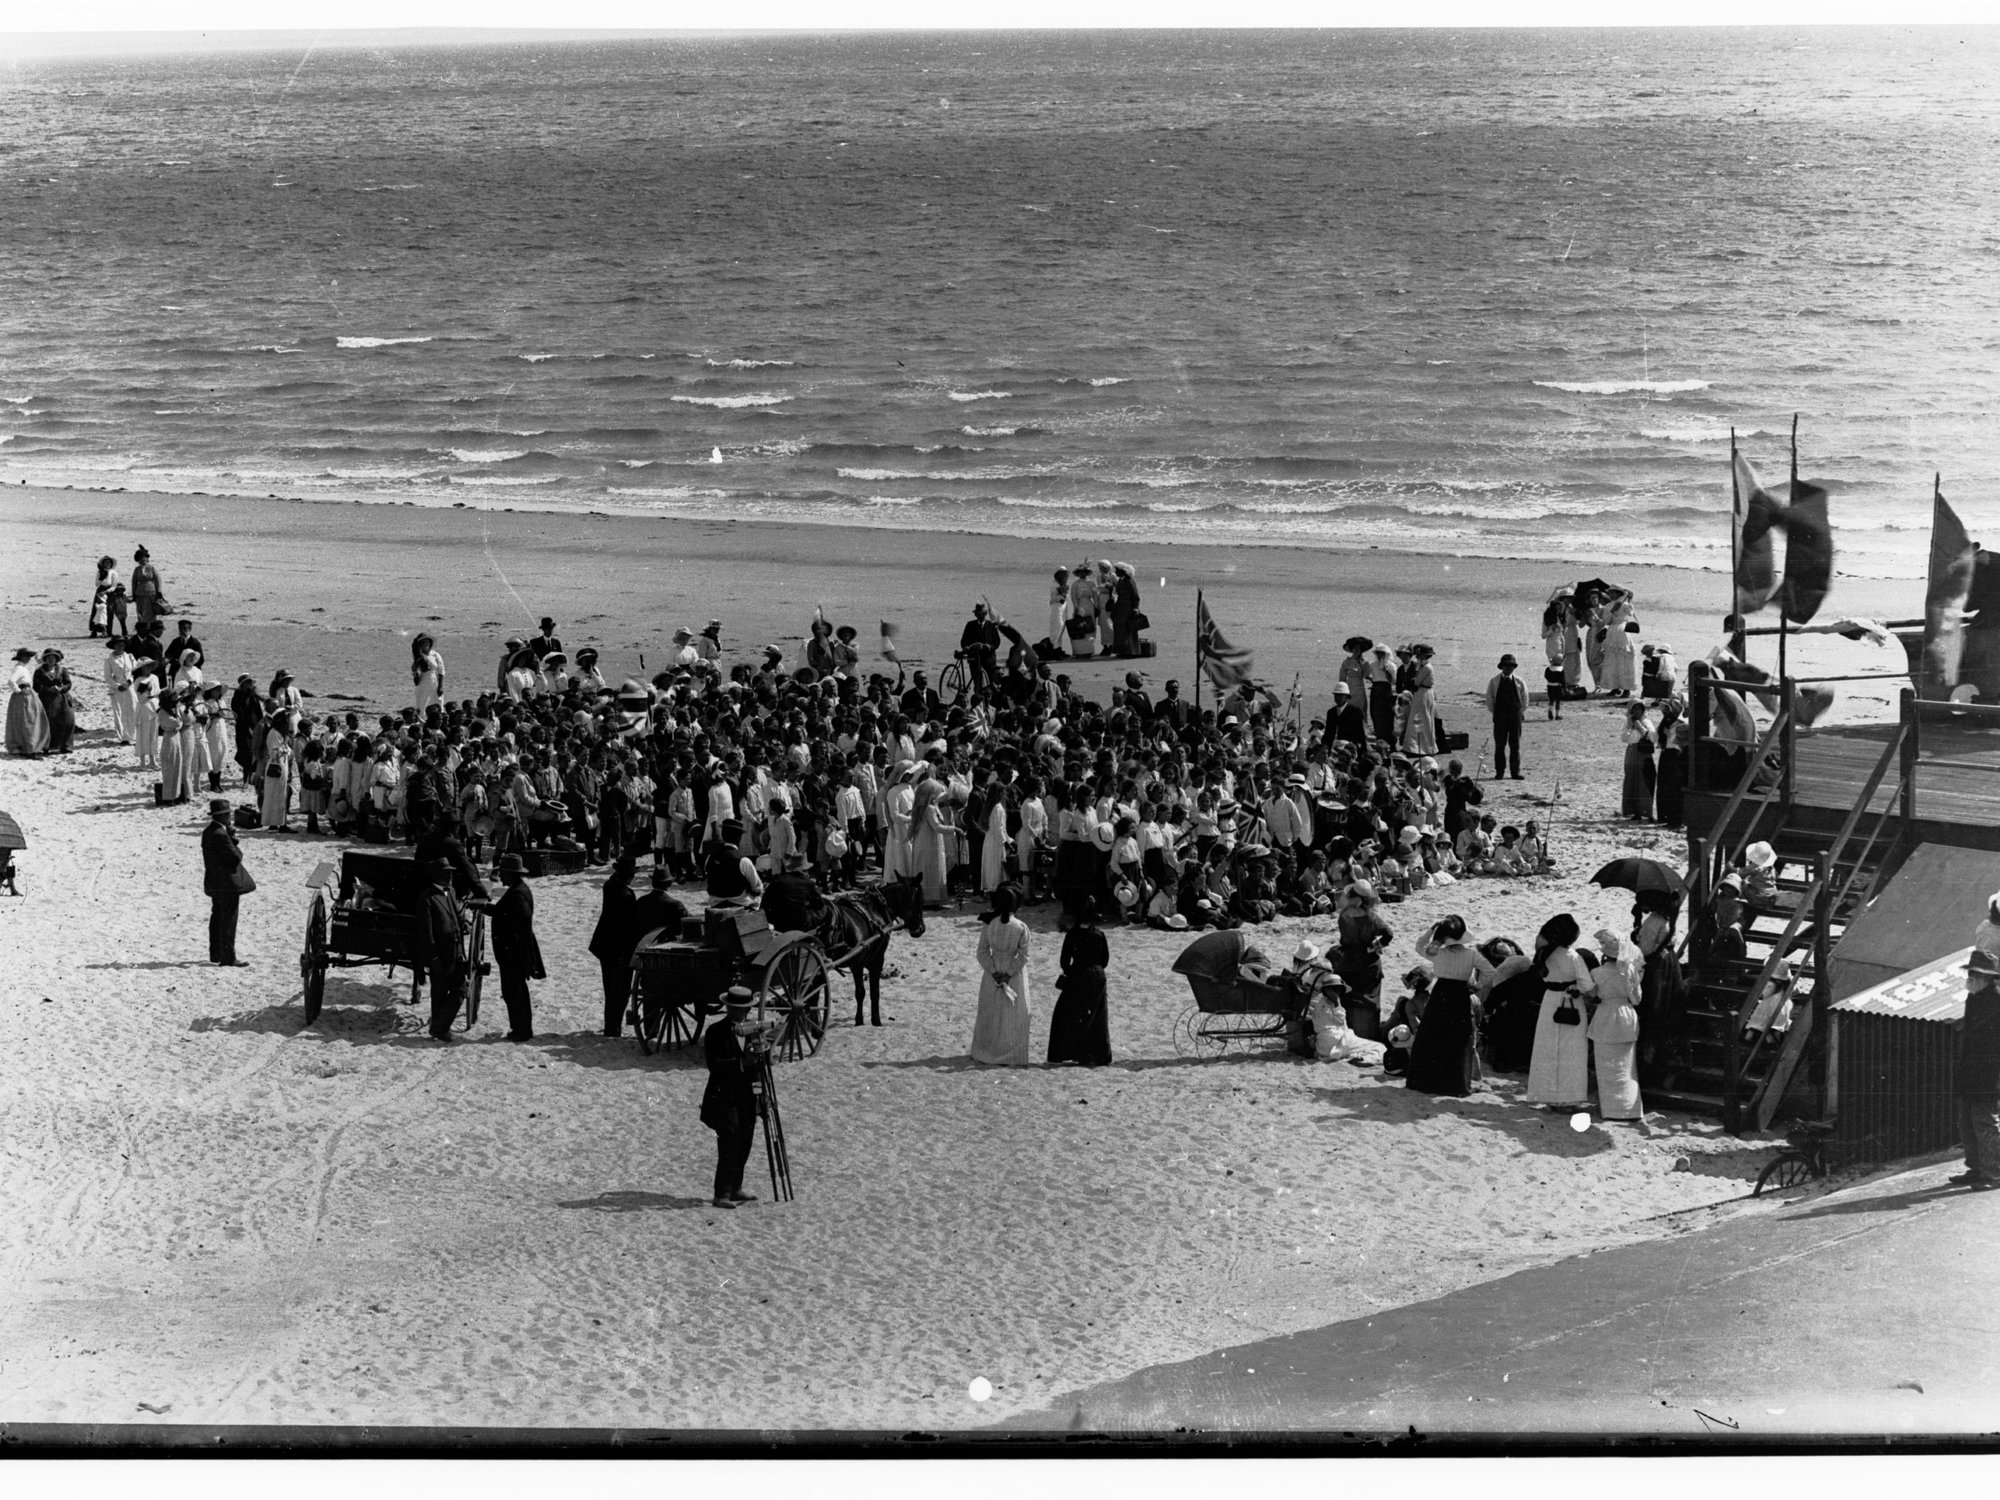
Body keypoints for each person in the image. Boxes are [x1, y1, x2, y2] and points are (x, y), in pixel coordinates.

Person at [1408, 914, 1493, 1096]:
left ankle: (1429, 1081)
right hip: (1460, 994)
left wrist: (1432, 929)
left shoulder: (1438, 952)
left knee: (1433, 1036)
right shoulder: (1471, 954)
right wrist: (1477, 986)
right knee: (1458, 1039)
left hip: (1440, 994)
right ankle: (1456, 1083)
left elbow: (1419, 946)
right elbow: (1490, 972)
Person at [700, 988, 762, 1208]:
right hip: (723, 1096)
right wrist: (741, 1063)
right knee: (729, 1140)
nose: (738, 1013)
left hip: (746, 1095)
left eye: (742, 1009)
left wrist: (760, 1095)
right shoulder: (715, 1032)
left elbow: (757, 1070)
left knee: (745, 1139)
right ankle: (722, 1193)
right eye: (734, 1009)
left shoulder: (752, 1032)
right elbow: (714, 1065)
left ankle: (735, 1187)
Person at [1526, 913, 1594, 1108]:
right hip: (1570, 1001)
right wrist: (1577, 988)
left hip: (1550, 1000)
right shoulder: (1573, 957)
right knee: (1571, 1051)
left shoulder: (1544, 954)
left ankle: (1546, 1095)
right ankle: (1568, 1098)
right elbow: (1587, 985)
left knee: (1547, 1049)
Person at [1951, 949, 2000, 1191]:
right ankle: (1976, 1169)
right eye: (1970, 972)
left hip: (1989, 1073)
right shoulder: (1974, 997)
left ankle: (1994, 1173)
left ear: (1987, 977)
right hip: (1970, 1072)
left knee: (1985, 1123)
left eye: (1975, 974)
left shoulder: (1996, 1001)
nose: (1970, 977)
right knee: (1967, 1123)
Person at [971, 884, 1033, 1065]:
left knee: (990, 1011)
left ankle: (987, 1050)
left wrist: (993, 971)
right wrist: (1009, 973)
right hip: (1014, 974)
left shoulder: (989, 924)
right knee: (1013, 1014)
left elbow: (982, 952)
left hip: (993, 972)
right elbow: (1024, 956)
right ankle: (1011, 1053)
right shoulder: (1021, 927)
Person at [1048, 894, 1111, 1067]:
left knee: (1068, 1014)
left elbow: (1064, 962)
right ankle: (1095, 1054)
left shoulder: (1072, 935)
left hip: (1078, 974)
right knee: (1097, 1016)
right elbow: (1104, 960)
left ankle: (1071, 1052)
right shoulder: (1099, 934)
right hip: (1097, 976)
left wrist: (1073, 973)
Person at [1587, 930, 1644, 1121]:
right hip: (1625, 1016)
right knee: (1627, 1066)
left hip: (1605, 1015)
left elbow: (1592, 994)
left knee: (1606, 1066)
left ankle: (1610, 1109)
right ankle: (1629, 1108)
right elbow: (1636, 999)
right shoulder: (1630, 970)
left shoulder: (1596, 973)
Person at [489, 853, 544, 1042]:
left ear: (511, 873)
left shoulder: (517, 895)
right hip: (514, 951)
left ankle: (522, 1031)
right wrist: (486, 909)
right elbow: (503, 912)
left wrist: (510, 950)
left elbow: (519, 923)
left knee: (515, 992)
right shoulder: (518, 890)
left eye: (503, 873)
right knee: (514, 990)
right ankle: (520, 1028)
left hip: (514, 952)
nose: (501, 877)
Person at [590, 856, 642, 1037]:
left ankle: (611, 1025)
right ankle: (613, 1028)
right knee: (620, 991)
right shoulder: (627, 895)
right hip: (620, 948)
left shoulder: (609, 886)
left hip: (604, 944)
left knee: (610, 987)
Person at [421, 858, 469, 1040]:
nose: (450, 876)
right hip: (440, 954)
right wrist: (433, 958)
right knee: (439, 992)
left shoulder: (451, 892)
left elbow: (456, 916)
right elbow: (427, 933)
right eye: (446, 872)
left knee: (461, 989)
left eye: (450, 872)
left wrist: (463, 924)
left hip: (455, 951)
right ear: (436, 875)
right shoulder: (426, 899)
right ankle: (439, 1029)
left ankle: (438, 1026)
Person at [201, 797, 250, 966]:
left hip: (214, 882)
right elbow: (235, 858)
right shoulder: (221, 835)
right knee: (228, 920)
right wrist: (233, 838)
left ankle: (216, 954)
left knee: (216, 917)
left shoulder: (208, 831)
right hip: (227, 884)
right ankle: (228, 957)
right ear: (223, 816)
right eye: (228, 814)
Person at [763, 849, 829, 934]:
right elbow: (818, 905)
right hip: (800, 924)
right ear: (803, 870)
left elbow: (764, 904)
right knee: (825, 910)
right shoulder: (807, 883)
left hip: (779, 923)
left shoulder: (777, 880)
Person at [1485, 653, 1529, 780]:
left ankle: (1515, 772)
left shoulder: (1519, 681)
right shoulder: (1494, 682)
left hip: (1515, 718)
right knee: (1500, 745)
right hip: (1500, 718)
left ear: (1514, 668)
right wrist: (1496, 713)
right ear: (1502, 667)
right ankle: (1500, 772)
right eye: (1506, 666)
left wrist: (1519, 713)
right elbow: (1489, 700)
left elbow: (1525, 699)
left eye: (1511, 666)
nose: (1508, 668)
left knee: (1515, 746)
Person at [6, 649, 49, 756]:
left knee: (28, 719)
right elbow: (11, 681)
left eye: (29, 656)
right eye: (26, 656)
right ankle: (29, 748)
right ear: (21, 657)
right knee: (28, 720)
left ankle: (29, 746)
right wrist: (18, 691)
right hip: (24, 696)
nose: (28, 658)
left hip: (28, 694)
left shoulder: (23, 668)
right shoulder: (19, 668)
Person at [34, 650, 76, 755]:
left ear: (56, 659)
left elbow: (68, 684)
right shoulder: (39, 671)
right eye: (48, 658)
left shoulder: (62, 670)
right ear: (45, 659)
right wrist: (47, 689)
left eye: (53, 658)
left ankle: (66, 746)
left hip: (61, 699)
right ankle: (48, 747)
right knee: (48, 723)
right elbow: (36, 687)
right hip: (46, 700)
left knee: (67, 721)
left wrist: (61, 688)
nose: (50, 660)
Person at [1400, 644, 1439, 756]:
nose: (1417, 658)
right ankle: (1418, 747)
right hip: (1423, 693)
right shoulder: (1424, 667)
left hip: (1423, 693)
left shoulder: (1426, 667)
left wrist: (1413, 680)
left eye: (1419, 656)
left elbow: (1417, 682)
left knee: (1418, 718)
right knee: (1423, 718)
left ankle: (1417, 748)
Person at [1620, 701, 1656, 820]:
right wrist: (1630, 726)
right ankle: (1633, 811)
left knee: (1643, 781)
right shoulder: (1627, 722)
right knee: (1631, 779)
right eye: (1634, 709)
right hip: (1631, 752)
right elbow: (1624, 738)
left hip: (1643, 753)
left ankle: (1645, 811)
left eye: (1639, 709)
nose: (1637, 712)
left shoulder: (1647, 722)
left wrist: (1640, 727)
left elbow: (1653, 737)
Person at [131, 546, 165, 628]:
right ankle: (142, 628)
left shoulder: (151, 568)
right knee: (141, 611)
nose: (143, 559)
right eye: (141, 558)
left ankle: (151, 627)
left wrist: (159, 591)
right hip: (140, 593)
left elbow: (158, 579)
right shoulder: (137, 569)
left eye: (144, 558)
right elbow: (134, 582)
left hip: (151, 593)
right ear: (138, 560)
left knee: (151, 611)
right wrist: (133, 593)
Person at [412, 633, 446, 714]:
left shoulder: (435, 655)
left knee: (438, 701)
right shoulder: (418, 657)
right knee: (423, 703)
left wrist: (440, 686)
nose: (425, 644)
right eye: (423, 642)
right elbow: (416, 675)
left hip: (435, 681)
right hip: (423, 682)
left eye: (427, 642)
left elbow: (441, 670)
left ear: (430, 643)